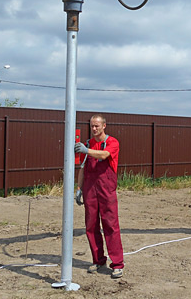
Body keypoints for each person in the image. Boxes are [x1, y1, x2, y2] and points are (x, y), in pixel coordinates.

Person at [75, 114, 124, 279]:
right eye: (92, 126)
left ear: (104, 126)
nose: (94, 129)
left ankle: (117, 265)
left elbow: (103, 155)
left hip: (106, 190)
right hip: (90, 190)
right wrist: (79, 188)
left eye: (97, 126)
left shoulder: (112, 142)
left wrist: (86, 150)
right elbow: (82, 167)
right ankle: (98, 260)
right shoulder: (88, 144)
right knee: (91, 226)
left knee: (110, 226)